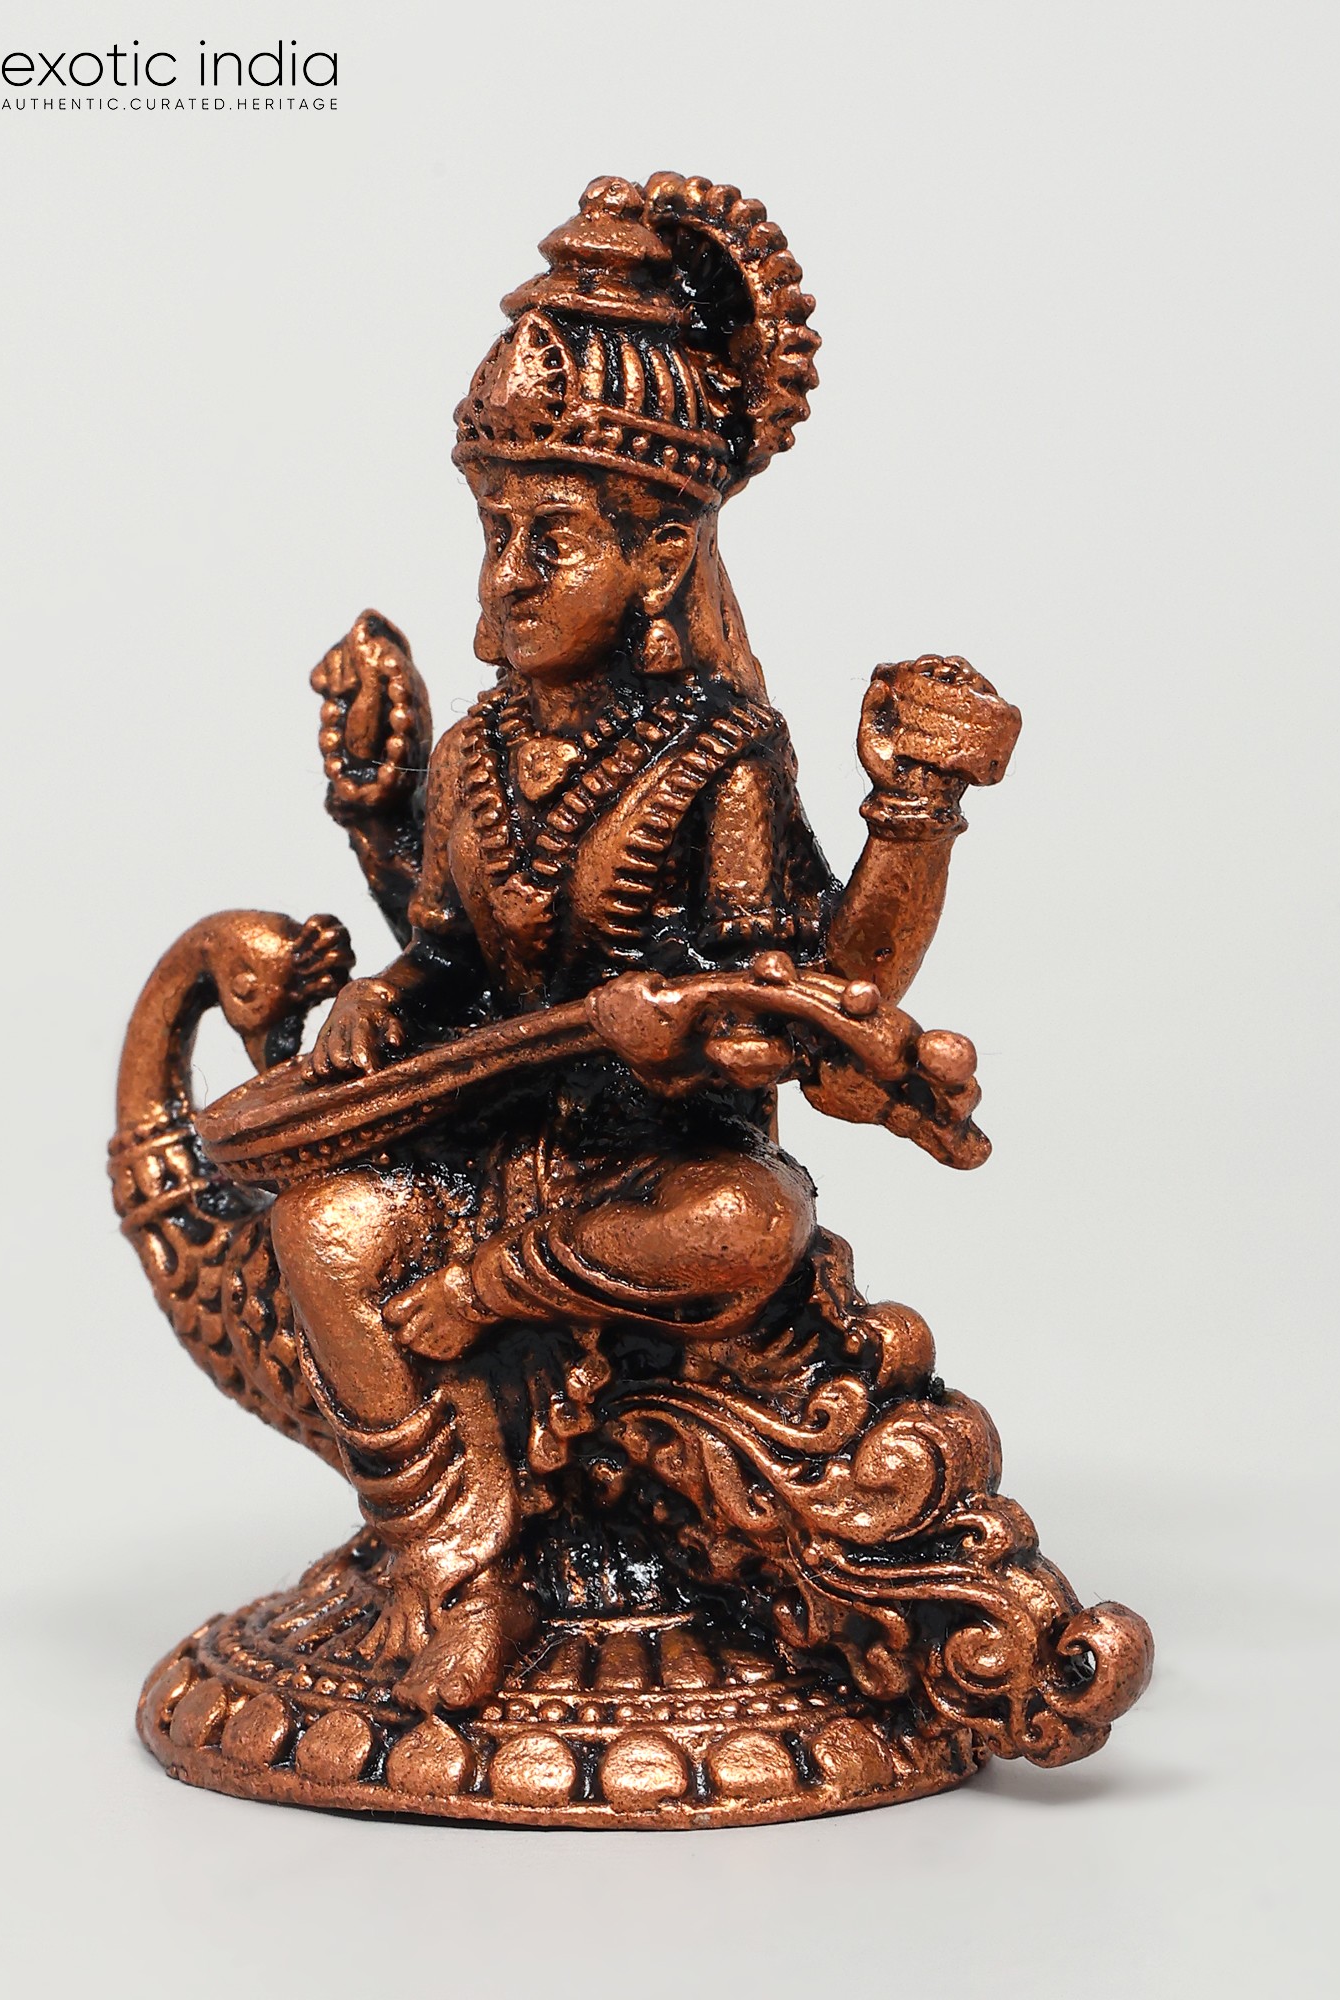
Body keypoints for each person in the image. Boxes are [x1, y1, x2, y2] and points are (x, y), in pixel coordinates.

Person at [269, 176, 1020, 1714]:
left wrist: (914, 815)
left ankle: (495, 1299)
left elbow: (820, 1000)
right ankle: (450, 1559)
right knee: (321, 1228)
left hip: (653, 1183)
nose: (506, 576)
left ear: (663, 558)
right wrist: (382, 981)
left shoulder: (718, 756)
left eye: (552, 538)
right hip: (494, 1153)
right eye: (496, 532)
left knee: (747, 1220)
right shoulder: (478, 751)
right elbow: (447, 957)